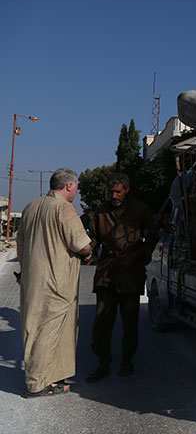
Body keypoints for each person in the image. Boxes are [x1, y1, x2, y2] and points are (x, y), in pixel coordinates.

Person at [17, 168, 92, 397]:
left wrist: (26, 271)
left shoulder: (31, 207)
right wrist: (90, 252)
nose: (77, 192)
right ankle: (37, 384)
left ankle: (51, 379)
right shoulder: (64, 209)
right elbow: (82, 245)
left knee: (35, 329)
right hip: (56, 284)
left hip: (32, 280)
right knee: (49, 332)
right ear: (69, 186)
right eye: (76, 187)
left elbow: (20, 246)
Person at [86, 172, 157, 382]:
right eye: (111, 191)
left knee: (130, 322)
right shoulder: (101, 212)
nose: (114, 195)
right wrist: (83, 251)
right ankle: (103, 363)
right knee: (102, 322)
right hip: (107, 271)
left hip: (130, 272)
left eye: (118, 191)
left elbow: (152, 237)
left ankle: (127, 361)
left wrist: (137, 255)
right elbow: (93, 239)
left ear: (126, 190)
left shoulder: (140, 210)